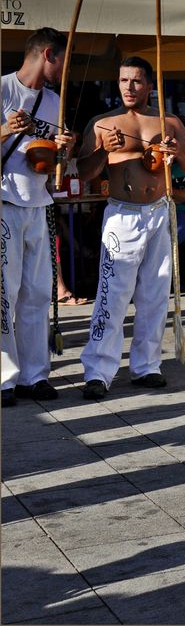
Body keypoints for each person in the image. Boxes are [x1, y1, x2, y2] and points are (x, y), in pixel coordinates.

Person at [75, 56, 185, 400]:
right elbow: (83, 173)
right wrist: (104, 151)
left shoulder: (169, 121)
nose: (129, 87)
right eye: (124, 81)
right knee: (112, 294)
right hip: (122, 214)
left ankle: (147, 366)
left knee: (155, 294)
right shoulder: (104, 123)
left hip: (159, 211)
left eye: (137, 81)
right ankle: (98, 371)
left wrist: (176, 152)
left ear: (149, 85)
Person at [1, 27, 76, 407]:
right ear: (48, 54)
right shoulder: (3, 89)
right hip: (4, 203)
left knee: (36, 295)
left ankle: (35, 375)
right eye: (63, 61)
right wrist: (4, 129)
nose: (66, 71)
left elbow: (57, 166)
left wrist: (65, 151)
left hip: (39, 204)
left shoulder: (54, 101)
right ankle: (3, 379)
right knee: (4, 294)